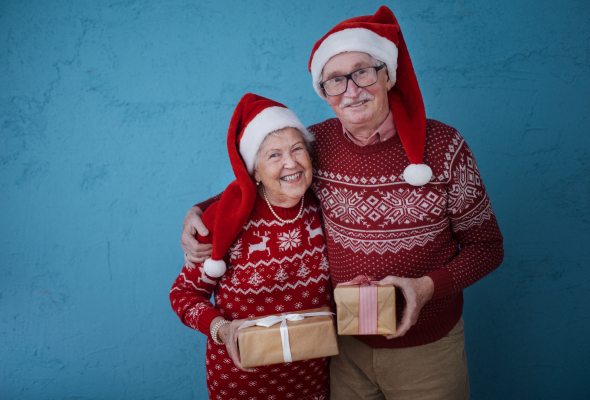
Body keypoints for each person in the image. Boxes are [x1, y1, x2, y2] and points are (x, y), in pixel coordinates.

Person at [183, 6, 504, 399]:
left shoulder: (444, 146)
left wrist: (425, 288)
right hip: (343, 351)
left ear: (387, 75)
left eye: (362, 72)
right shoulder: (317, 144)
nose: (351, 90)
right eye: (336, 80)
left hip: (427, 350)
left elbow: (488, 248)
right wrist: (199, 211)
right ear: (324, 93)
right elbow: (263, 178)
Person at [170, 93, 333, 400]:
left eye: (297, 149)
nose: (290, 163)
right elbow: (182, 294)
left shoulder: (324, 203)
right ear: (254, 171)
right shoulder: (225, 220)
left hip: (313, 380)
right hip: (243, 380)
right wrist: (220, 328)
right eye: (273, 155)